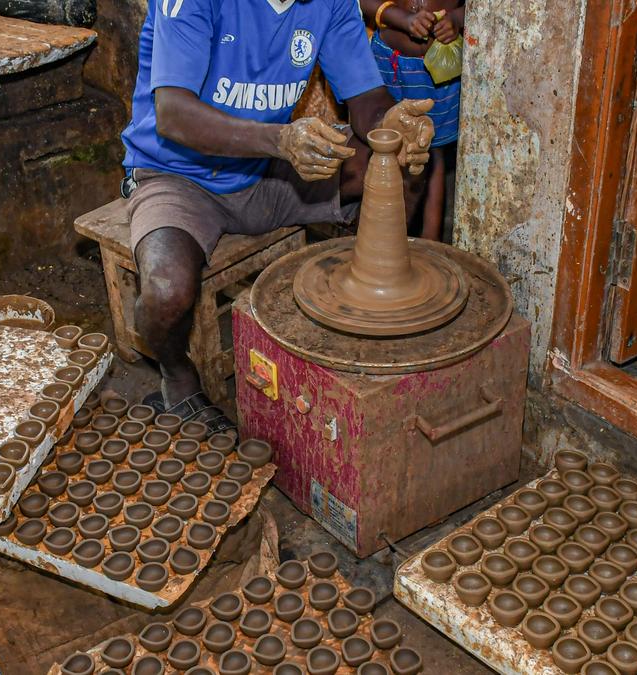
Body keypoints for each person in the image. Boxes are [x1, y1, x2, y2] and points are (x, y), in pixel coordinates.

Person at [120, 0, 436, 433]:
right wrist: (282, 140)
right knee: (165, 291)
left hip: (266, 170)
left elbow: (367, 101)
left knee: (399, 161)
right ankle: (177, 378)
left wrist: (392, 120)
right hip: (178, 177)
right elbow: (173, 115)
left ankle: (375, 302)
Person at [363, 0, 464, 241]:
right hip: (392, 65)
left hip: (441, 70)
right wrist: (401, 18)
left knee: (431, 149)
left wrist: (457, 20)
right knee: (388, 146)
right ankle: (385, 241)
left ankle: (430, 242)